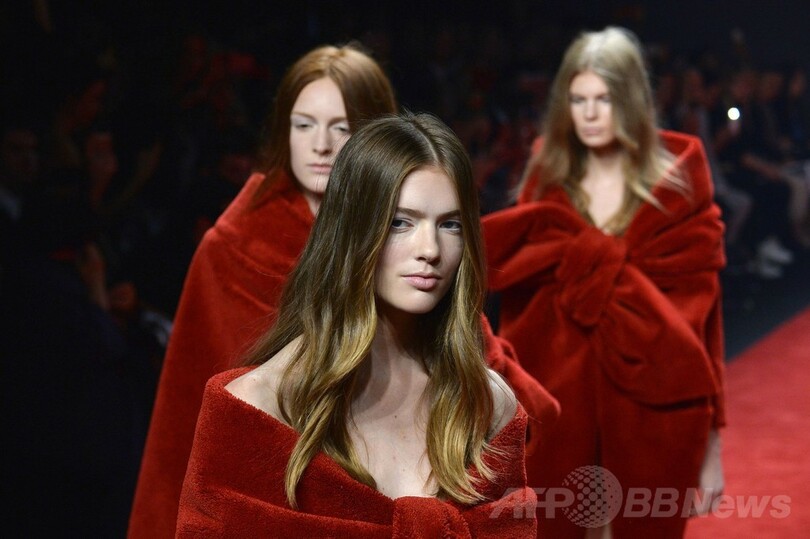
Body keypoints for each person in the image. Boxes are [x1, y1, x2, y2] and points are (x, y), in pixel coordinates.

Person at [129, 43, 558, 537]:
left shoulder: (489, 404)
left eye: (451, 225)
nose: (429, 249)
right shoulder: (255, 394)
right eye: (400, 222)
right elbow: (179, 432)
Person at [482, 27, 726, 538]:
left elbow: (706, 326)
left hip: (652, 405)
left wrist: (712, 447)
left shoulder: (675, 190)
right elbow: (518, 310)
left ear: (632, 100)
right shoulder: (546, 182)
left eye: (605, 99)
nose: (590, 114)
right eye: (578, 100)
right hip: (557, 406)